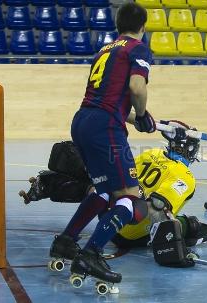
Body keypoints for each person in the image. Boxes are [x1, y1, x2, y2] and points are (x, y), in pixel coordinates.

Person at [50, 3, 157, 285]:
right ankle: (92, 253)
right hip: (105, 127)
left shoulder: (105, 50)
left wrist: (137, 119)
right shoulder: (138, 48)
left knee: (103, 189)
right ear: (142, 27)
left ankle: (66, 241)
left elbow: (110, 97)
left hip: (83, 120)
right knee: (130, 197)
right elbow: (136, 87)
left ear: (118, 25)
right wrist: (144, 114)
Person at [20, 121, 207, 265]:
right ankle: (188, 226)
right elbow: (156, 208)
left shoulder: (152, 153)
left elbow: (122, 177)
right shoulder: (186, 177)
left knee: (102, 182)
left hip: (107, 216)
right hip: (129, 232)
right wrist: (176, 250)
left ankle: (49, 185)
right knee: (182, 219)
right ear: (192, 151)